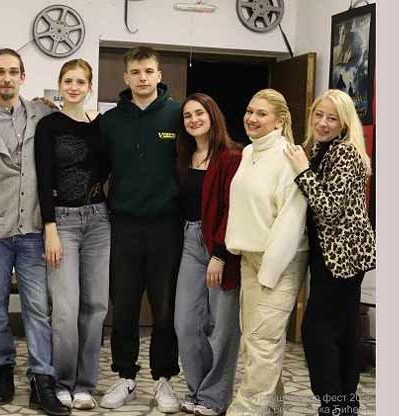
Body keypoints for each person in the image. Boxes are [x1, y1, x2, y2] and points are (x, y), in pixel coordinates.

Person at [0, 48, 69, 416]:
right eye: (0, 72)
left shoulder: (42, 116)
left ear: (23, 77)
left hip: (34, 231)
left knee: (38, 309)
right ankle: (2, 373)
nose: (7, 78)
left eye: (13, 72)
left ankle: (42, 380)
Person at [98, 46, 183, 414]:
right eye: (136, 72)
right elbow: (96, 168)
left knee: (165, 309)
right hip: (124, 226)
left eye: (149, 71)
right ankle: (125, 377)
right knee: (125, 306)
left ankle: (163, 379)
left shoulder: (178, 115)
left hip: (167, 227)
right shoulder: (110, 121)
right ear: (126, 77)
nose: (143, 78)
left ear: (159, 75)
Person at [284, 89, 376, 416]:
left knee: (317, 331)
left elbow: (329, 208)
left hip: (343, 256)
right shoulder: (320, 149)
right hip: (329, 254)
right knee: (342, 331)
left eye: (332, 118)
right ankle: (344, 403)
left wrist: (301, 170)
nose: (323, 123)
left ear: (345, 123)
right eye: (319, 115)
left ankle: (334, 402)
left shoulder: (345, 152)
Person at [225, 88, 309, 416]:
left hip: (280, 261)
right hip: (250, 258)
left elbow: (292, 219)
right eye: (250, 111)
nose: (252, 118)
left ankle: (245, 410)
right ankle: (273, 409)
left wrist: (270, 270)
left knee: (262, 342)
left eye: (262, 113)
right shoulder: (249, 152)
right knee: (255, 341)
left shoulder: (288, 156)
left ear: (279, 121)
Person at [34, 59, 109, 411]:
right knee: (65, 308)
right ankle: (62, 381)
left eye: (81, 81)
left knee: (95, 306)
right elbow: (43, 177)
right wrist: (49, 227)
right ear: (60, 85)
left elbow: (109, 170)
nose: (74, 87)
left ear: (90, 86)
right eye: (68, 81)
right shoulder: (48, 125)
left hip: (99, 220)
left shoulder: (102, 126)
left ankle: (85, 385)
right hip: (62, 221)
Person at [172, 93, 242, 416]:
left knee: (222, 327)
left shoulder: (231, 156)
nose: (194, 120)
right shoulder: (184, 156)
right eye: (187, 116)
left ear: (212, 115)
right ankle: (196, 390)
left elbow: (233, 208)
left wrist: (220, 254)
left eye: (199, 113)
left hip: (220, 244)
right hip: (190, 240)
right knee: (185, 323)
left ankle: (214, 398)